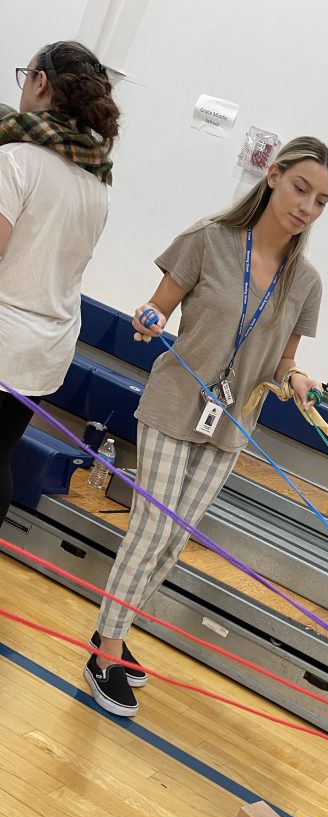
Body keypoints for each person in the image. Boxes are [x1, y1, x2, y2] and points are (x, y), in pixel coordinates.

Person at [84, 136, 328, 718]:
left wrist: (295, 380)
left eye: (322, 200)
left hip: (230, 425)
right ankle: (108, 653)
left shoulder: (307, 283)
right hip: (175, 402)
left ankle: (110, 635)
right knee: (150, 530)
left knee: (173, 542)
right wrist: (148, 319)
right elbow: (157, 310)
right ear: (273, 176)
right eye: (301, 188)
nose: (308, 206)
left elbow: (283, 362)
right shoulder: (209, 241)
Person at [0, 40, 119, 523]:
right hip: (47, 347)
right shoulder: (97, 182)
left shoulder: (18, 160)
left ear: (41, 82)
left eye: (24, 75)